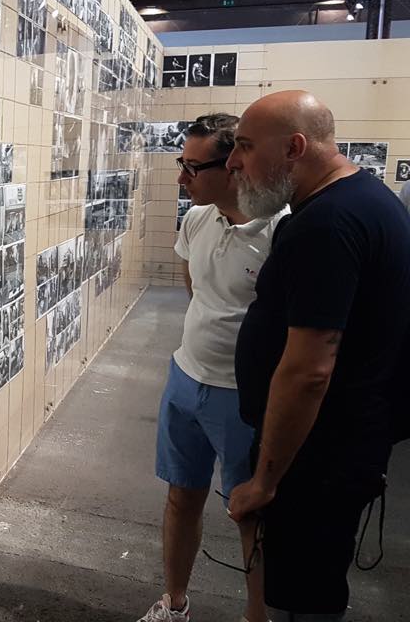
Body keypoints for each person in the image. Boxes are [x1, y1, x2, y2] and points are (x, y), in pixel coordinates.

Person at [226, 91, 410, 621]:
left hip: (319, 457)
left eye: (245, 146)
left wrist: (264, 480)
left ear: (294, 147)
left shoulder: (326, 225)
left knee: (304, 600)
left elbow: (309, 369)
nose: (234, 162)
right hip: (338, 445)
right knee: (310, 588)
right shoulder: (363, 199)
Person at [137, 115, 282, 622]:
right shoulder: (197, 220)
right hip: (186, 379)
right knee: (181, 498)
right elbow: (195, 290)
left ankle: (257, 616)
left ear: (234, 166)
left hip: (243, 397)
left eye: (193, 168)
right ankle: (174, 604)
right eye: (182, 163)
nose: (182, 177)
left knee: (251, 514)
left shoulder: (281, 231)